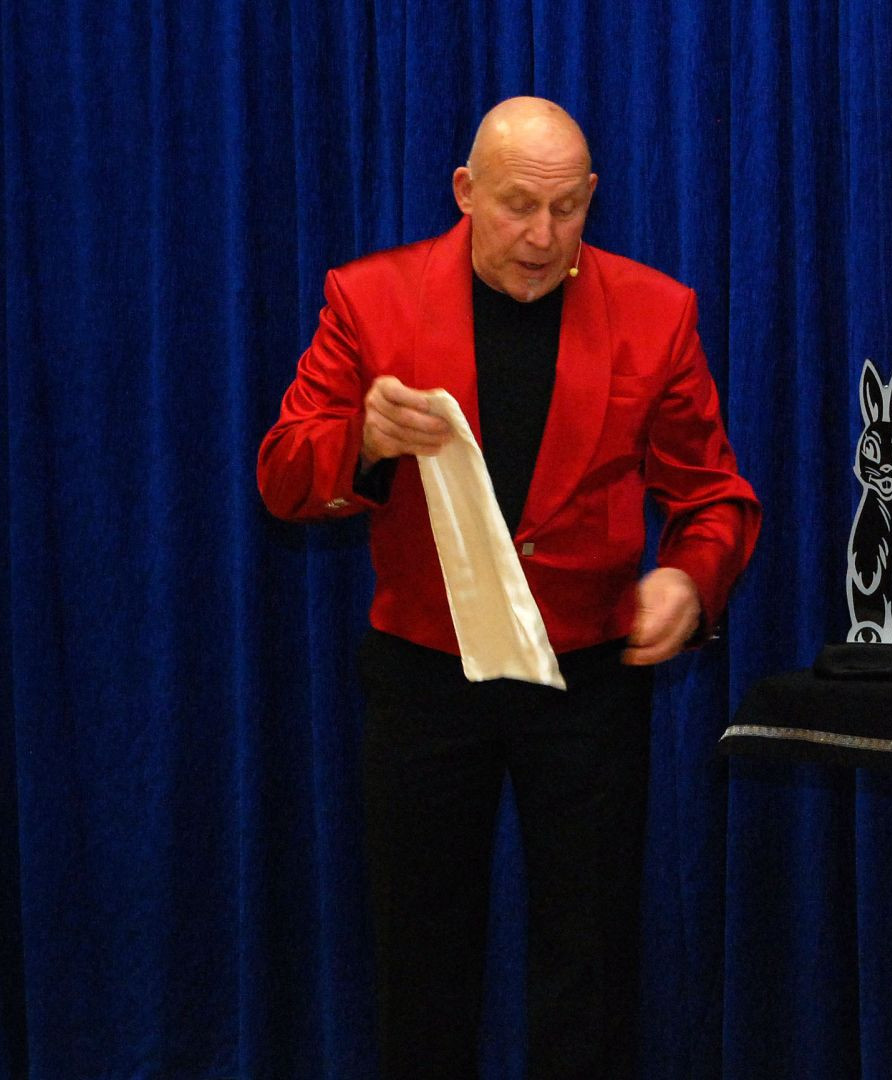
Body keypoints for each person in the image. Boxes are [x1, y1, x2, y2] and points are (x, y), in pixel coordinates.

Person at [257, 97, 761, 1078]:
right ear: (464, 191)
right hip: (423, 674)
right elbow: (282, 474)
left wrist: (689, 578)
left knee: (591, 962)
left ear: (592, 198)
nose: (542, 236)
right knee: (421, 961)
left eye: (566, 209)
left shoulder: (656, 312)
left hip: (588, 677)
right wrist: (362, 440)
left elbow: (714, 497)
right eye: (518, 206)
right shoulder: (369, 298)